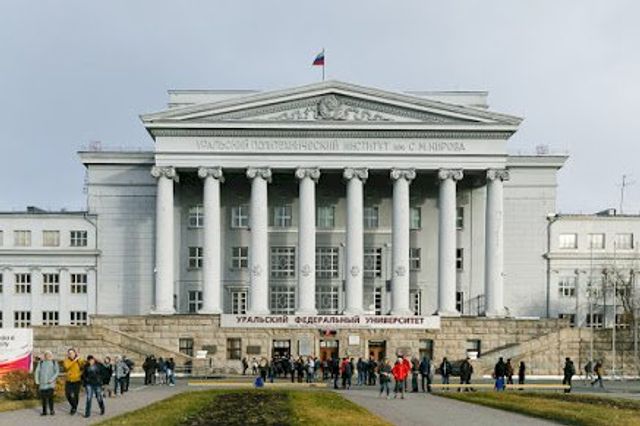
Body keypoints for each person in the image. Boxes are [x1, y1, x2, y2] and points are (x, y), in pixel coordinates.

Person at [35, 351, 59, 416]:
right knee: (43, 398)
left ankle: (52, 410)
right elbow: (37, 371)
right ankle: (44, 411)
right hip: (42, 383)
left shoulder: (54, 362)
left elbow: (57, 372)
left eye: (49, 355)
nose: (48, 356)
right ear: (45, 356)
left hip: (50, 384)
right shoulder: (41, 362)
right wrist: (37, 380)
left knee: (50, 398)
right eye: (46, 355)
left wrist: (52, 379)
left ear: (51, 355)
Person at [63, 348, 85, 415]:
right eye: (69, 353)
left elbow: (83, 366)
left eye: (72, 353)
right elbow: (67, 367)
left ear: (75, 353)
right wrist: (74, 361)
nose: (71, 354)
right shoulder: (66, 360)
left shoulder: (79, 360)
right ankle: (74, 406)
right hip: (69, 380)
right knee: (68, 394)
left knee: (75, 395)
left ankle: (74, 408)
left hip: (77, 380)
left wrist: (79, 359)